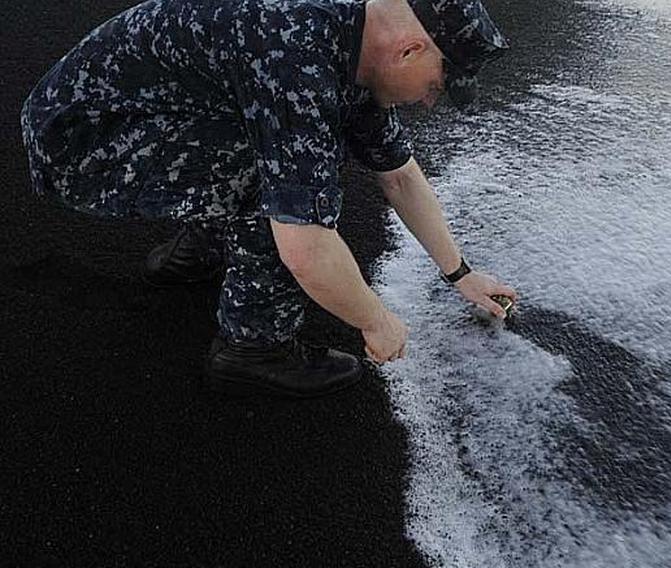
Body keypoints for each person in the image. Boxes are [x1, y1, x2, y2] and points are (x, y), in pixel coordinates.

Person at [20, 0, 518, 399]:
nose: (430, 102)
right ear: (408, 50)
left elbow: (400, 176)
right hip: (78, 143)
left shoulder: (353, 41)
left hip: (144, 114)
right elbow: (305, 249)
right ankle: (254, 349)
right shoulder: (296, 54)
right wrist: (377, 322)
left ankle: (196, 251)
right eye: (436, 86)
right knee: (289, 185)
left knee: (291, 153)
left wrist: (460, 272)